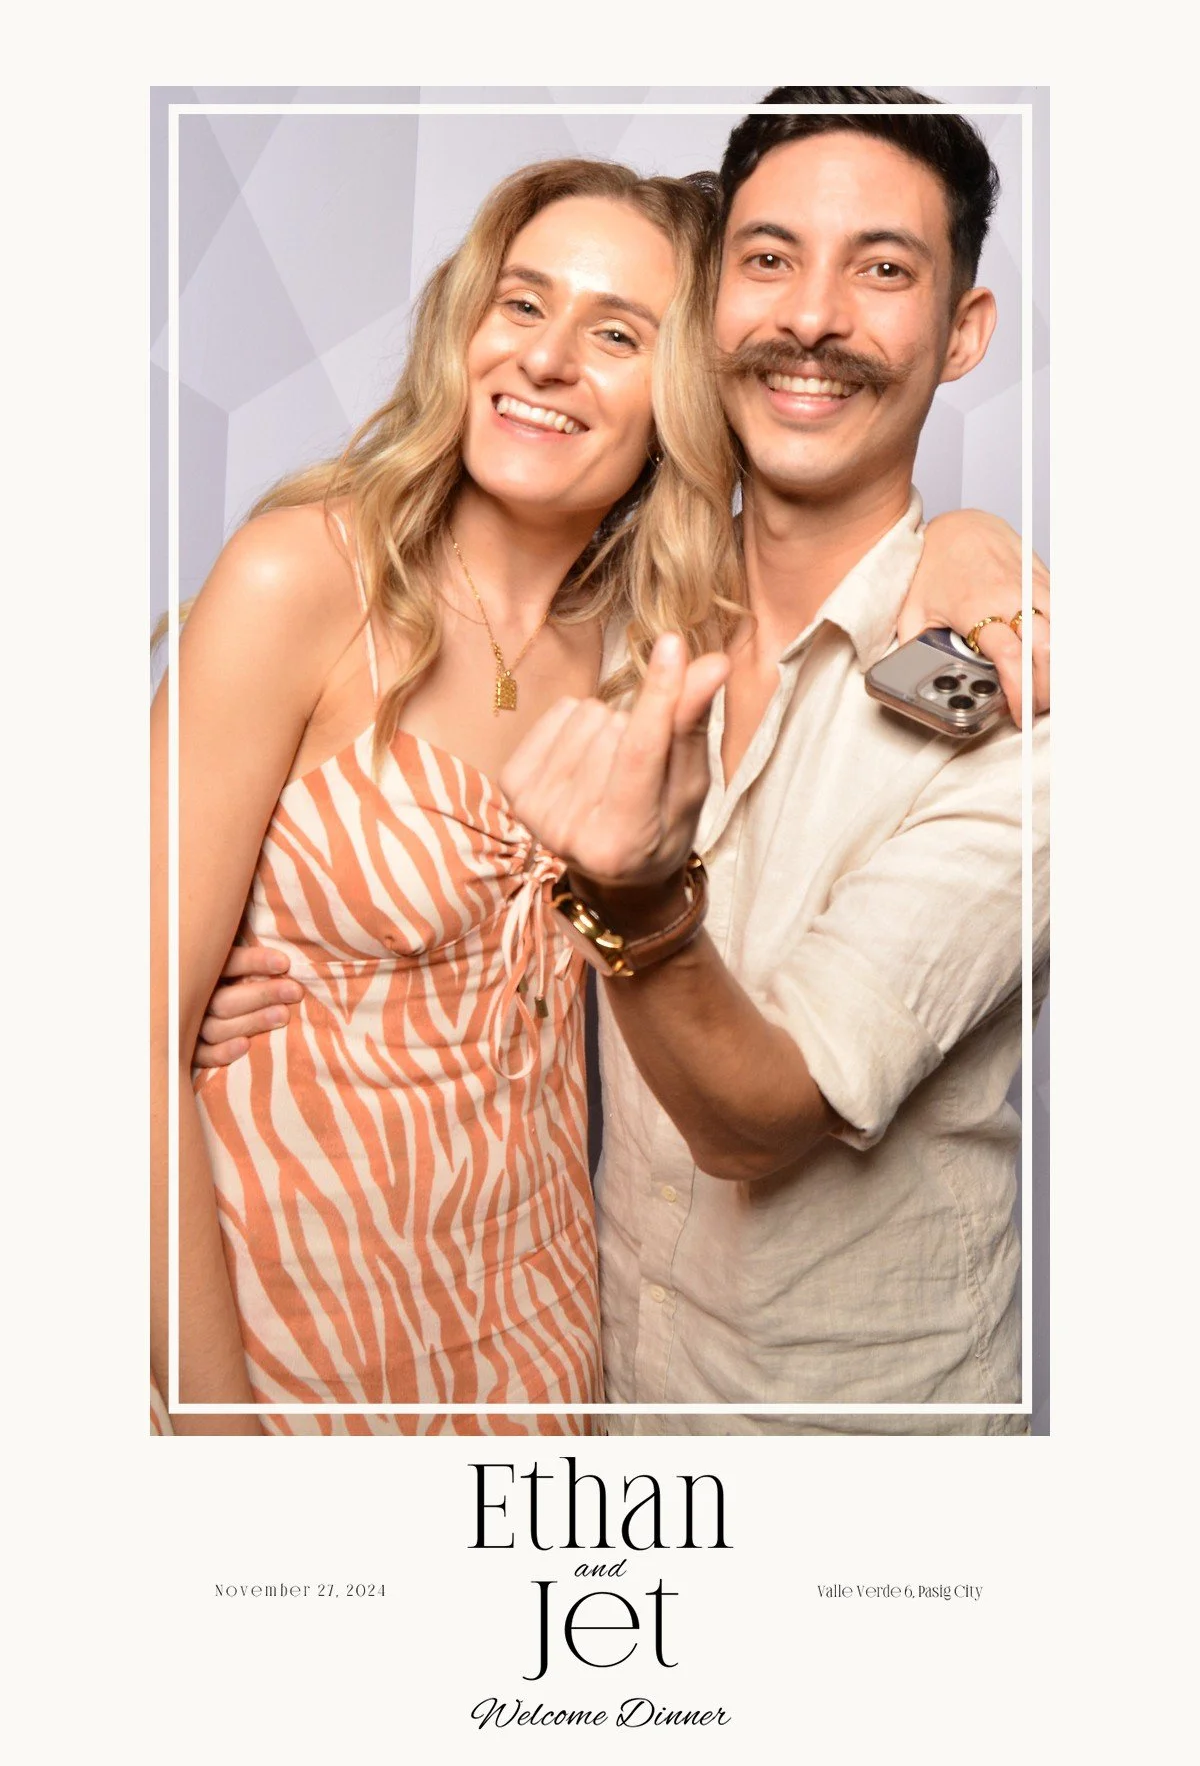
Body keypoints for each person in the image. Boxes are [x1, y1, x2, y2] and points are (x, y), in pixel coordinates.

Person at [173, 123, 1045, 1438]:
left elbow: (758, 1114)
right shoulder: (346, 581)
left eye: (620, 333)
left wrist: (977, 550)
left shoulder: (664, 637)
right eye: (523, 302)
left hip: (594, 1364)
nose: (546, 355)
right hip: (298, 1328)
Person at [498, 87, 1049, 1436]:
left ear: (961, 333)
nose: (812, 315)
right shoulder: (620, 601)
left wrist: (636, 902)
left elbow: (756, 1121)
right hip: (602, 1417)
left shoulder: (1034, 712)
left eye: (882, 268)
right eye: (769, 259)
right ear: (714, 309)